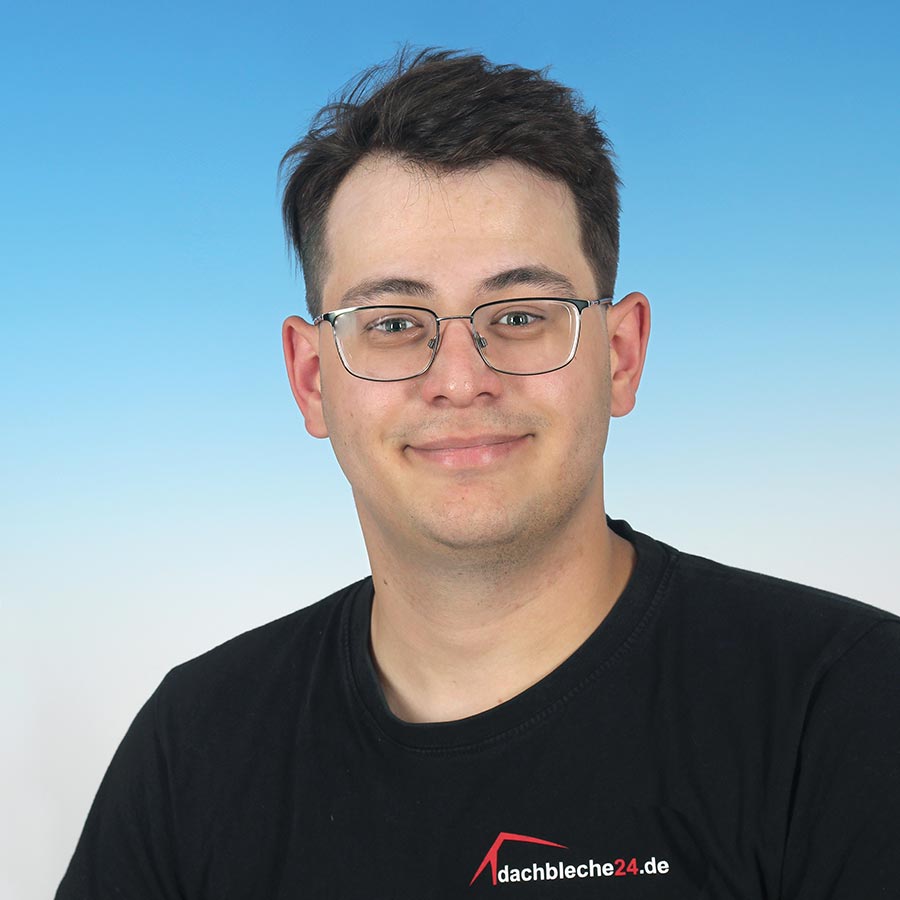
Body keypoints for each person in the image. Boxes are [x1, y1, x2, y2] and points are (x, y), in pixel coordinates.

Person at [56, 49, 899, 899]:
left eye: (521, 315)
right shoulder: (195, 747)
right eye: (393, 323)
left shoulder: (847, 707)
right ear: (311, 379)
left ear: (621, 355)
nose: (460, 380)